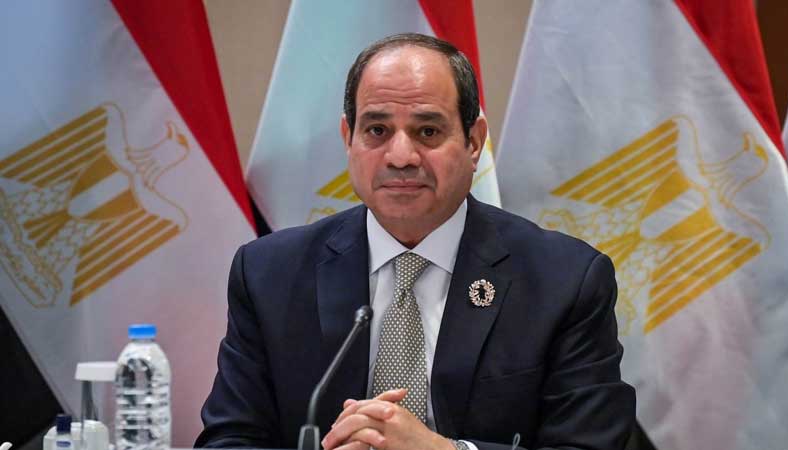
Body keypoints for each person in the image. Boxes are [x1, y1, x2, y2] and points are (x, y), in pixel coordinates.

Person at [195, 33, 635, 450]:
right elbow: (229, 440)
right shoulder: (269, 274)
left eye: (427, 131)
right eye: (377, 130)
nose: (401, 157)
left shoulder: (565, 280)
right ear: (349, 139)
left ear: (474, 141)